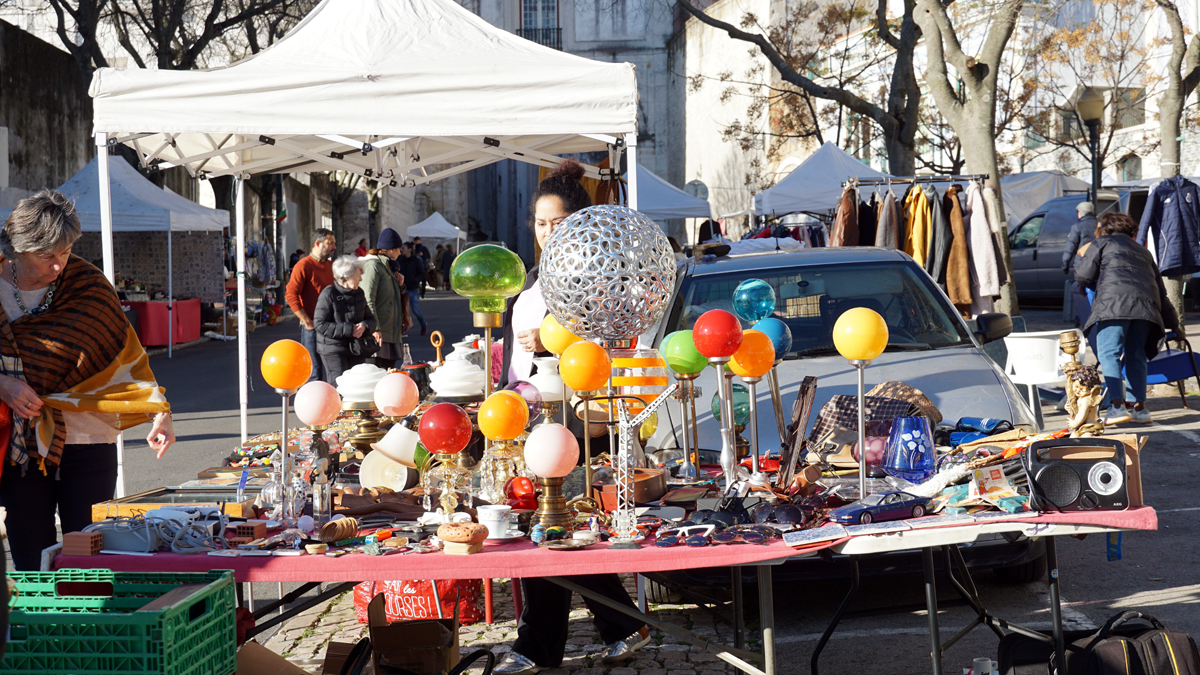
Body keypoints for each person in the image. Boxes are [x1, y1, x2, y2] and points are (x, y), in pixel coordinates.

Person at [494, 161, 649, 675]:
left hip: (581, 417)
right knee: (554, 525)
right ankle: (620, 624)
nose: (547, 231)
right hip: (535, 414)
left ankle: (539, 646)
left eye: (557, 222)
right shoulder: (531, 280)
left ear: (579, 223)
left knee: (554, 523)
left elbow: (609, 346)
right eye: (540, 223)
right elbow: (514, 362)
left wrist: (555, 343)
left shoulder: (595, 279)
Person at [0, 190, 175, 570]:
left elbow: (124, 355)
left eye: (65, 251)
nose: (58, 264)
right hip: (20, 444)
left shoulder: (87, 284)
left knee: (90, 549)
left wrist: (158, 410)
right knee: (30, 553)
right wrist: (4, 385)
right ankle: (40, 612)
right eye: (46, 255)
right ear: (16, 248)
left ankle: (87, 609)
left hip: (89, 438)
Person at [1073, 212, 1182, 425]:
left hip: (1113, 305)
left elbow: (1083, 275)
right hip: (1146, 307)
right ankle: (1140, 409)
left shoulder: (1101, 243)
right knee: (1136, 354)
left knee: (1108, 352)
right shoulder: (1143, 251)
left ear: (1104, 228)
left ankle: (1117, 407)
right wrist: (1174, 325)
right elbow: (1161, 293)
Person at [313, 255, 378, 385]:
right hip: (333, 349)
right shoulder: (329, 294)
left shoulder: (359, 293)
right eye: (358, 275)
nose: (361, 279)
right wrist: (350, 329)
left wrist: (364, 326)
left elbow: (371, 319)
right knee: (339, 386)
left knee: (357, 385)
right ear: (347, 276)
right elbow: (320, 324)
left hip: (356, 348)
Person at [285, 229, 336, 382]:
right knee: (314, 371)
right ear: (318, 243)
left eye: (334, 243)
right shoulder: (303, 265)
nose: (334, 247)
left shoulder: (331, 266)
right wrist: (306, 321)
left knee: (334, 370)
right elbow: (291, 295)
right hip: (312, 329)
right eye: (330, 243)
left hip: (332, 326)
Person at [361, 228, 406, 370]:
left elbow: (389, 298)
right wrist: (374, 328)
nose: (400, 253)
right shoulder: (373, 266)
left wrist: (400, 285)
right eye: (399, 250)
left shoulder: (388, 267)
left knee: (388, 375)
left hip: (390, 333)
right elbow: (367, 299)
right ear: (392, 249)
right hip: (378, 334)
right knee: (375, 375)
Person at [1061, 202, 1097, 318]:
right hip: (1098, 263)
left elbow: (1070, 247)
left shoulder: (1077, 226)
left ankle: (1085, 316)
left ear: (1080, 212)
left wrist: (1065, 264)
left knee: (1083, 292)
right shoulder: (1099, 224)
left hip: (1083, 265)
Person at [395, 243, 428, 336]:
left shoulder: (416, 261)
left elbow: (422, 274)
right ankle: (403, 328)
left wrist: (415, 280)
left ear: (409, 249)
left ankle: (423, 323)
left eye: (403, 248)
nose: (401, 250)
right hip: (402, 288)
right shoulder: (399, 260)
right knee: (402, 310)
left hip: (413, 288)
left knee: (415, 309)